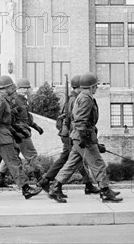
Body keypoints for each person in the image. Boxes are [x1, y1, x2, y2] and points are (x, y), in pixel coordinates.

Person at [48, 72, 123, 203]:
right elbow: (81, 120)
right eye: (96, 86)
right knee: (98, 164)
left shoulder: (82, 96)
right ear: (91, 86)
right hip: (83, 137)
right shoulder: (85, 98)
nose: (97, 88)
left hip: (80, 137)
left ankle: (55, 188)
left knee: (71, 164)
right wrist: (86, 139)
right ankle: (105, 191)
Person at [0, 75, 43, 200]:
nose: (14, 89)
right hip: (2, 139)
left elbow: (8, 122)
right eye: (11, 87)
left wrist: (16, 132)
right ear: (5, 88)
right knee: (14, 162)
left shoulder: (6, 101)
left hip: (2, 137)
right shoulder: (0, 102)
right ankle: (26, 189)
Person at [38, 75, 100, 196]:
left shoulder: (75, 98)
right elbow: (75, 120)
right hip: (71, 133)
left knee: (67, 158)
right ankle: (86, 184)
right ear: (78, 87)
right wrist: (80, 135)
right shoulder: (76, 99)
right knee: (77, 159)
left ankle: (46, 180)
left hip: (69, 133)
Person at [0, 78, 44, 188]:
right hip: (20, 133)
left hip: (19, 132)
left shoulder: (22, 100)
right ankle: (40, 179)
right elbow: (10, 117)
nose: (25, 90)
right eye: (23, 88)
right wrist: (17, 131)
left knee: (13, 157)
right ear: (17, 88)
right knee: (31, 155)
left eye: (27, 88)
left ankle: (0, 179)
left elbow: (26, 116)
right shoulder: (14, 100)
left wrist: (35, 126)